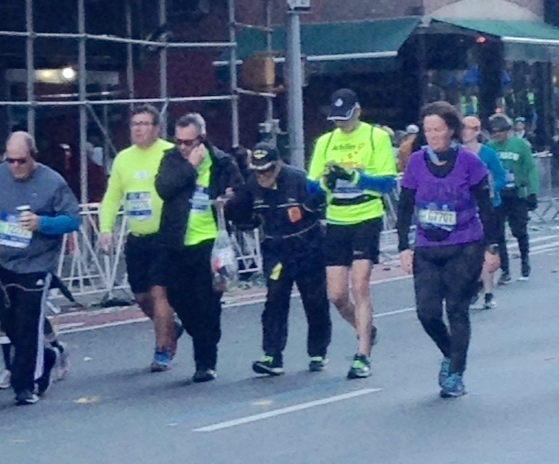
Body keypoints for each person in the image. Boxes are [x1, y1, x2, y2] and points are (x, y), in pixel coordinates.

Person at [0, 131, 80, 405]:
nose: (15, 166)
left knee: (29, 324)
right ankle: (49, 355)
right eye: (10, 161)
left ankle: (27, 384)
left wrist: (43, 224)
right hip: (3, 262)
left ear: (33, 157)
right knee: (8, 322)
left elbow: (73, 220)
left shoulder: (52, 182)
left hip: (37, 264)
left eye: (21, 161)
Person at [397, 101, 501, 398]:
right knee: (426, 312)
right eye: (428, 130)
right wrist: (403, 246)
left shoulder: (470, 162)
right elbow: (404, 206)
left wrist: (492, 248)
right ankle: (449, 352)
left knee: (457, 308)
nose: (432, 135)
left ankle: (456, 374)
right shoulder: (416, 162)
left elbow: (486, 207)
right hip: (427, 247)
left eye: (438, 130)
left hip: (465, 244)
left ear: (452, 130)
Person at [308, 88, 397, 379]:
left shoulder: (376, 137)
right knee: (336, 294)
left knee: (360, 284)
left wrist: (355, 177)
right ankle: (366, 329)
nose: (340, 125)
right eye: (335, 120)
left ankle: (362, 354)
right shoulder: (326, 141)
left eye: (345, 118)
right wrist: (327, 182)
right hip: (337, 218)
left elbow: (386, 183)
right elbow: (312, 186)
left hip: (366, 215)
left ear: (357, 111)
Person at [226, 142, 331, 376]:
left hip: (308, 247)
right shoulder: (252, 184)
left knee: (315, 301)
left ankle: (318, 351)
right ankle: (272, 355)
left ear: (279, 165)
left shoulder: (299, 179)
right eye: (258, 170)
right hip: (276, 249)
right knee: (274, 299)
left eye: (267, 170)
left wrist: (310, 209)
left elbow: (322, 205)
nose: (262, 175)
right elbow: (248, 219)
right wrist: (234, 209)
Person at [155, 113, 243, 383]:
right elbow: (164, 188)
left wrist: (229, 200)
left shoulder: (221, 161)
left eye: (188, 142)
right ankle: (203, 334)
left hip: (209, 242)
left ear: (201, 139)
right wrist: (189, 167)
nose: (182, 147)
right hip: (177, 241)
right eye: (178, 141)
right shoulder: (172, 160)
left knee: (207, 302)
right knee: (178, 298)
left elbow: (240, 193)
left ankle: (205, 361)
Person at [99, 104, 182, 372]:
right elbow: (112, 197)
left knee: (160, 293)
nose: (139, 128)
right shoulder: (123, 158)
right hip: (137, 237)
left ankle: (162, 350)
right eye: (135, 124)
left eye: (145, 124)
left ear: (157, 128)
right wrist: (105, 229)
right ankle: (170, 327)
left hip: (164, 236)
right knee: (142, 297)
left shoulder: (170, 153)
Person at [487, 113, 538, 283]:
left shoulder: (520, 145)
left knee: (519, 230)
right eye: (493, 132)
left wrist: (532, 192)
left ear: (507, 131)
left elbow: (530, 168)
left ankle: (525, 262)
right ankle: (505, 270)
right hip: (499, 196)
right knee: (498, 233)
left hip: (517, 193)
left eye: (499, 132)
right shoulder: (490, 147)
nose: (496, 135)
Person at [462, 116, 506, 309]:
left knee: (485, 250)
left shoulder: (487, 153)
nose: (466, 132)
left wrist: (489, 190)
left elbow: (500, 176)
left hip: (487, 208)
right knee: (467, 253)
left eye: (471, 128)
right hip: (465, 209)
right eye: (463, 128)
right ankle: (474, 286)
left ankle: (488, 292)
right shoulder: (457, 153)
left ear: (478, 131)